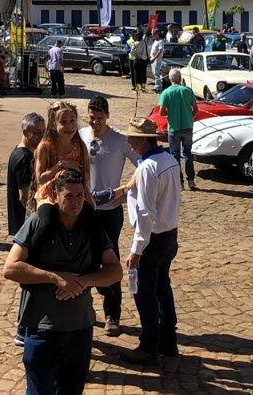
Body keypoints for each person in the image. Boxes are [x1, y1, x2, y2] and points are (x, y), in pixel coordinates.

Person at [3, 169, 122, 395]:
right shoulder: (39, 222)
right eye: (69, 196)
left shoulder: (92, 226)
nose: (76, 202)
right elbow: (10, 268)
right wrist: (56, 278)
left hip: (80, 328)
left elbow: (115, 271)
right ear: (56, 196)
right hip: (42, 329)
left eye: (79, 196)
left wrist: (82, 281)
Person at [120, 118, 182, 366]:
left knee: (145, 294)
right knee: (162, 289)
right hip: (169, 235)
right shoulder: (169, 160)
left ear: (146, 140)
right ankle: (169, 341)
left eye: (133, 139)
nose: (130, 143)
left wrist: (136, 249)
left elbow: (145, 213)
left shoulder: (147, 168)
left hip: (153, 240)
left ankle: (149, 346)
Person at [79, 96, 138, 338]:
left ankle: (112, 314)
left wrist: (128, 190)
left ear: (108, 116)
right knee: (83, 259)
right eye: (92, 117)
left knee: (109, 261)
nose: (95, 122)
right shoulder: (81, 134)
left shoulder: (119, 139)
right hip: (83, 209)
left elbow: (142, 164)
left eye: (100, 118)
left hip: (110, 211)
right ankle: (84, 310)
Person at [33, 100, 90, 208]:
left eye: (72, 120)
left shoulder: (80, 146)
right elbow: (40, 178)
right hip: (50, 196)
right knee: (47, 218)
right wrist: (60, 166)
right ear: (54, 125)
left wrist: (75, 171)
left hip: (74, 194)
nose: (70, 126)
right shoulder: (45, 147)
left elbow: (87, 175)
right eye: (64, 122)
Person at [158, 68, 198, 191]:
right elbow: (196, 110)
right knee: (188, 154)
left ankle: (179, 182)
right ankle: (191, 180)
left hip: (174, 128)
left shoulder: (166, 92)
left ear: (170, 79)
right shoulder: (188, 91)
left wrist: (170, 113)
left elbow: (161, 112)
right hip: (187, 126)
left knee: (175, 155)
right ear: (180, 78)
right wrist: (190, 117)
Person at [9, 113, 45, 237]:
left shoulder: (18, 151)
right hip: (25, 222)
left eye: (43, 132)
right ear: (25, 133)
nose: (41, 137)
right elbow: (24, 196)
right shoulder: (24, 158)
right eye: (36, 132)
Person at [149, 29, 167, 93]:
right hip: (153, 59)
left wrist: (154, 58)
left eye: (153, 33)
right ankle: (156, 85)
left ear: (157, 34)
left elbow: (160, 50)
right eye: (152, 33)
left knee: (157, 73)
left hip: (157, 60)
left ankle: (158, 87)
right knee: (154, 73)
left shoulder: (160, 41)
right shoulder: (155, 41)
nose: (152, 35)